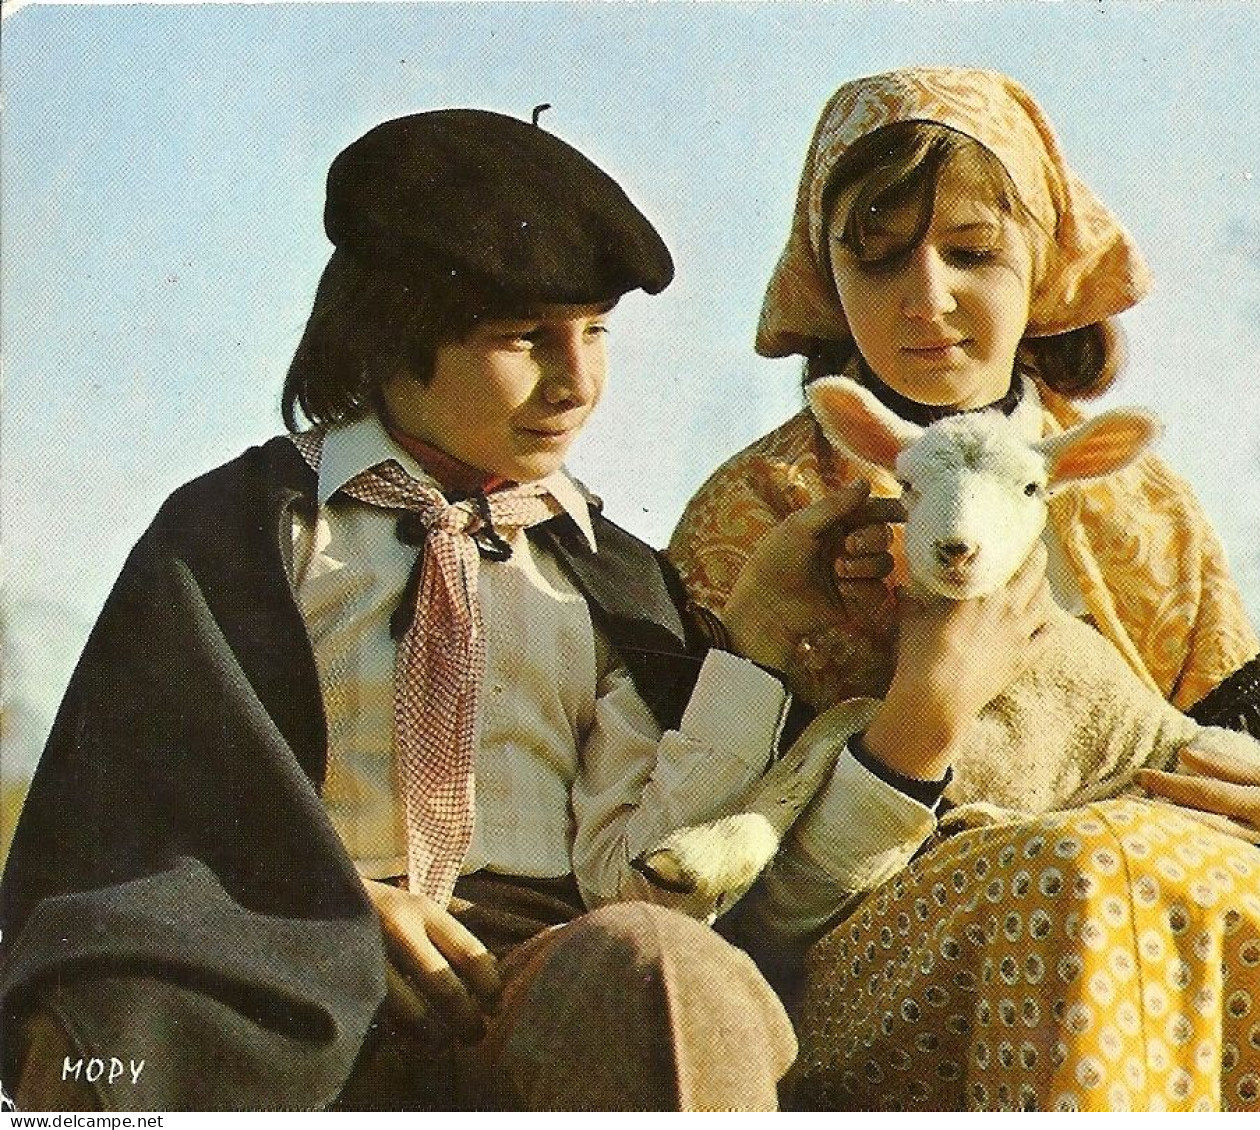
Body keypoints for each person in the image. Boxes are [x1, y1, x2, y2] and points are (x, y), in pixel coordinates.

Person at [0, 108, 918, 1112]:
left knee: (663, 966)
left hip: (535, 976)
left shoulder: (604, 573)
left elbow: (643, 876)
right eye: (524, 337)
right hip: (274, 975)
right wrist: (324, 911)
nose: (576, 381)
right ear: (390, 333)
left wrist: (750, 633)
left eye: (595, 331)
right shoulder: (239, 534)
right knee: (122, 1008)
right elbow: (119, 828)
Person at [668, 66, 1260, 1111]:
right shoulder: (757, 514)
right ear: (823, 278)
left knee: (1148, 871)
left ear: (1042, 260)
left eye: (970, 252)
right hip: (874, 989)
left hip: (1171, 926)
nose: (925, 297)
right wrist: (914, 727)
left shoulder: (1139, 504)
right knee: (1076, 870)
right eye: (873, 259)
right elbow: (716, 911)